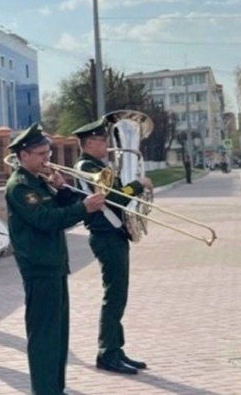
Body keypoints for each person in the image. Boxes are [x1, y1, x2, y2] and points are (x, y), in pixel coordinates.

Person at [5, 123, 105, 395]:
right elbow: (46, 221)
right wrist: (83, 207)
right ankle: (45, 389)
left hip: (55, 265)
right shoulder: (20, 186)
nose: (46, 159)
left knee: (59, 335)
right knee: (44, 336)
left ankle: (55, 387)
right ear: (23, 155)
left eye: (47, 153)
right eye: (40, 154)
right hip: (39, 268)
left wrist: (63, 189)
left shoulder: (40, 182)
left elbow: (63, 208)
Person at [71, 117, 152, 375]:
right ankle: (107, 352)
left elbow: (116, 192)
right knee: (114, 296)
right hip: (105, 235)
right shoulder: (86, 167)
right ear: (91, 142)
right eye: (103, 139)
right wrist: (139, 185)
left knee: (119, 294)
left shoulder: (99, 165)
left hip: (114, 235)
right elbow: (113, 198)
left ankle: (116, 348)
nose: (107, 143)